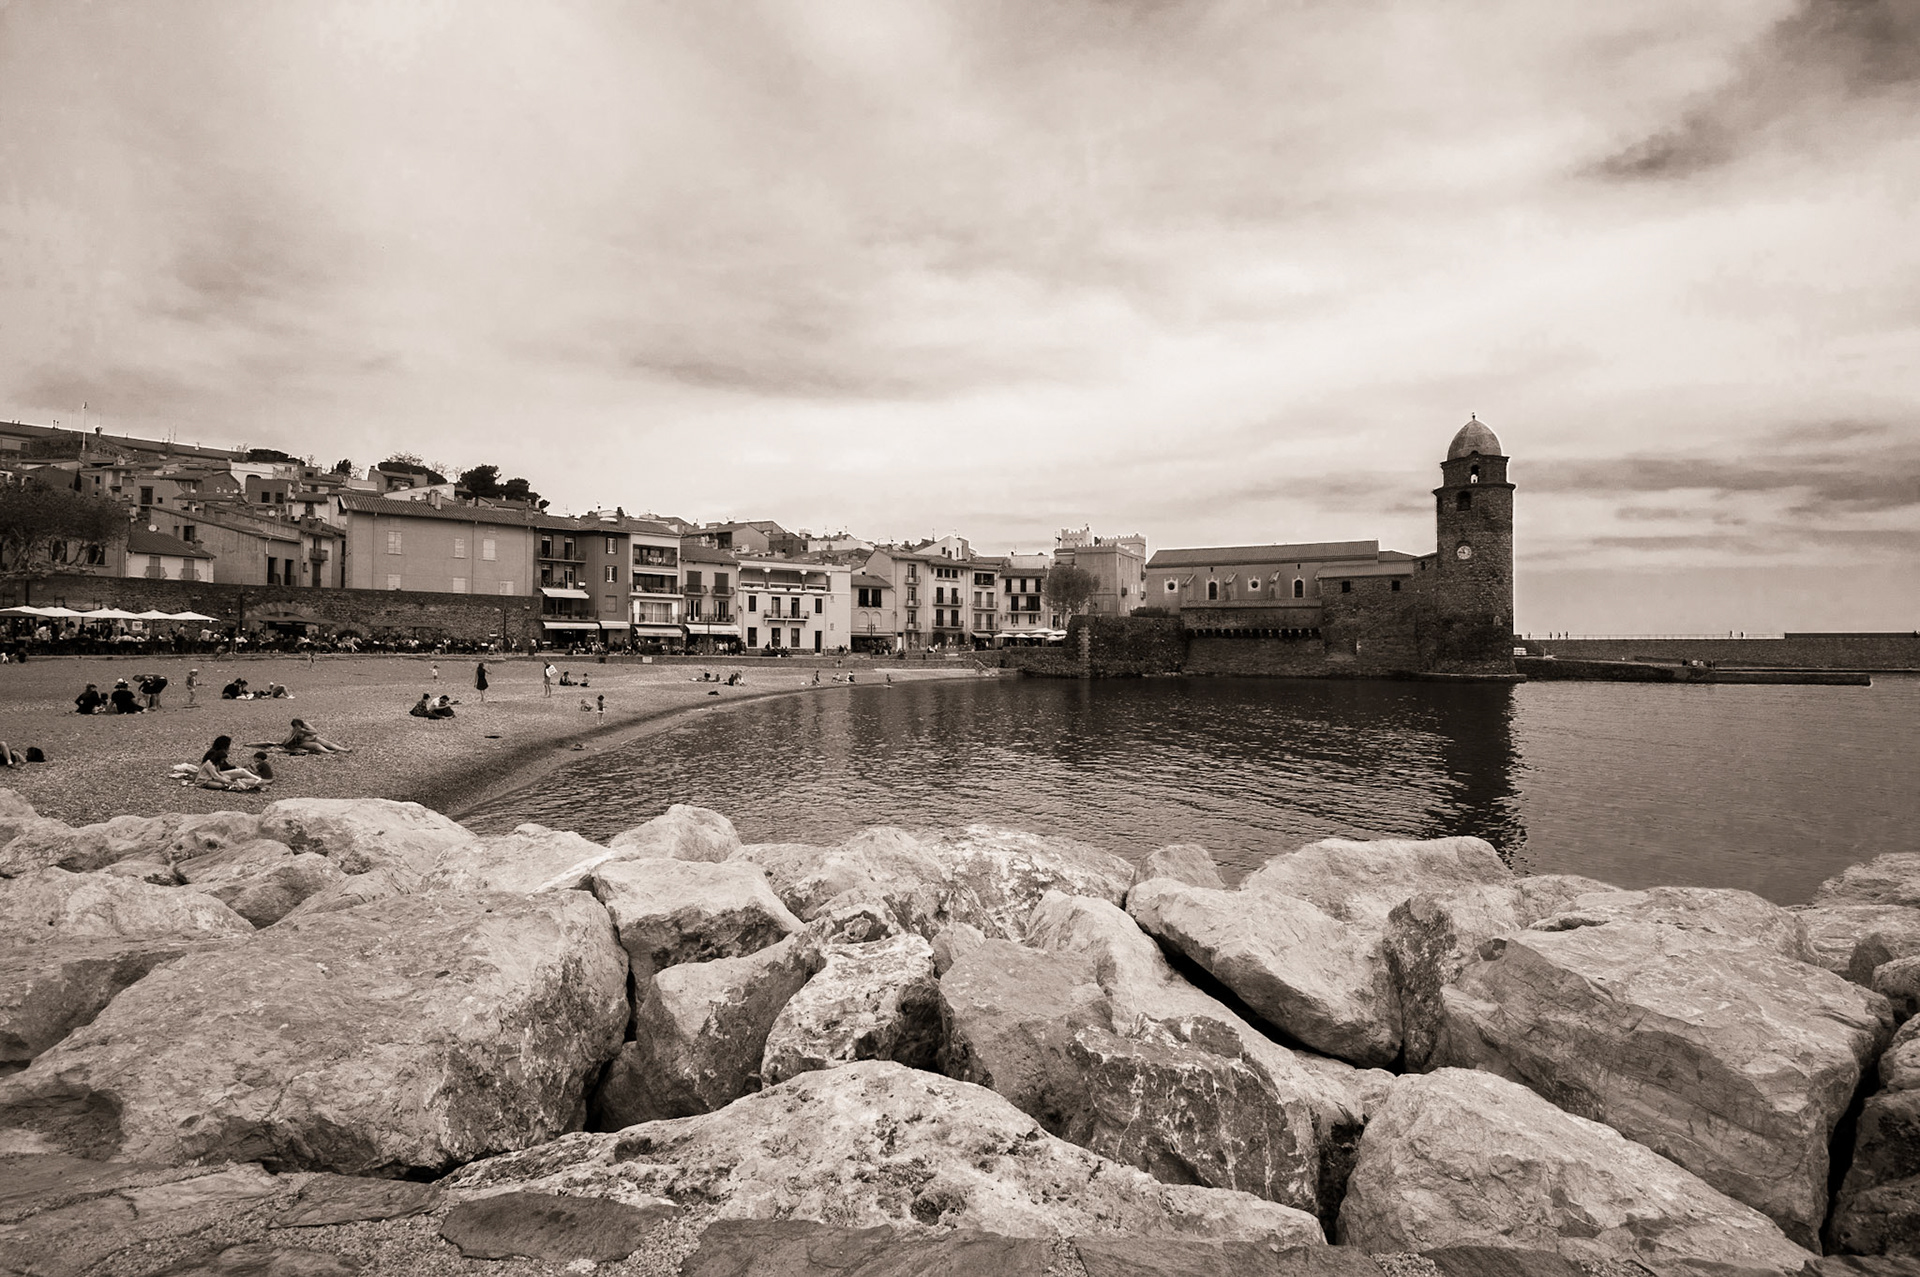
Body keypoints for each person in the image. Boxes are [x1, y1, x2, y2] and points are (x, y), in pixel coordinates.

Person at [195, 736, 266, 790]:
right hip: (208, 778)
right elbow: (216, 774)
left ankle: (254, 781)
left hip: (214, 776)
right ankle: (259, 780)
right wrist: (228, 777)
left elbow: (219, 771)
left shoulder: (216, 755)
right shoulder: (213, 757)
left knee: (232, 777)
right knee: (240, 772)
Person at [280, 718, 352, 754]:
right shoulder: (294, 730)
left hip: (313, 738)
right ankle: (329, 752)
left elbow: (315, 732)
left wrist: (304, 731)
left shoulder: (306, 725)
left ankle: (344, 750)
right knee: (316, 745)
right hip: (303, 742)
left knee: (328, 743)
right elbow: (289, 739)